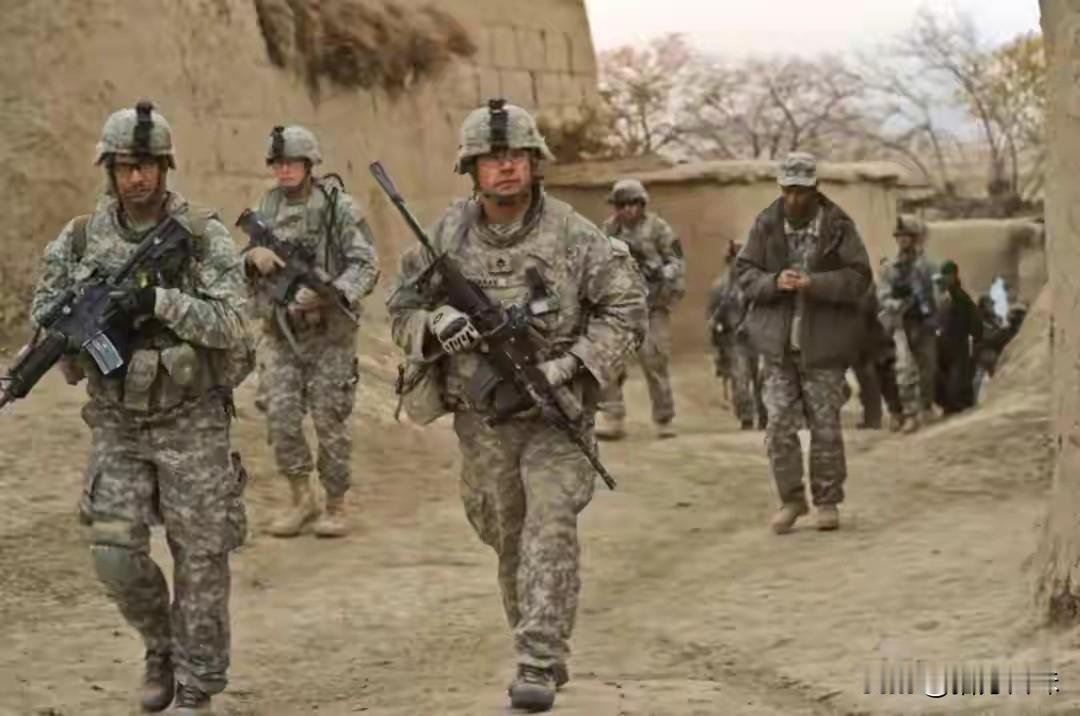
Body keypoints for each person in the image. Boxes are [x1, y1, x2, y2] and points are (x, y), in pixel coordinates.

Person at [386, 99, 646, 711]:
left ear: (534, 163)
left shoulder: (573, 235)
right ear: (471, 168)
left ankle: (538, 658)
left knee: (549, 524)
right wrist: (435, 324)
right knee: (508, 536)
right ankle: (534, 636)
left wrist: (568, 365)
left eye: (515, 157)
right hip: (484, 422)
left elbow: (626, 309)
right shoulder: (445, 236)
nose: (505, 167)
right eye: (491, 158)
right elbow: (400, 310)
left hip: (555, 414)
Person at [29, 102, 253, 714]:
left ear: (166, 166)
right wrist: (85, 315)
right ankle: (162, 646)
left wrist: (157, 302)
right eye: (127, 165)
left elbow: (234, 323)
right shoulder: (80, 239)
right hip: (118, 421)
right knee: (113, 550)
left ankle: (197, 682)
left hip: (192, 417)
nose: (138, 177)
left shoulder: (201, 236)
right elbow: (44, 310)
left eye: (149, 165)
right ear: (110, 169)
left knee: (201, 556)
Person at [243, 125, 380, 538]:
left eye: (292, 163)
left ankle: (336, 503)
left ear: (309, 164)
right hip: (281, 333)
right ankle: (301, 498)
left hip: (329, 336)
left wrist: (331, 292)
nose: (284, 170)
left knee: (329, 422)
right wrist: (253, 257)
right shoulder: (266, 206)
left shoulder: (339, 208)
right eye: (278, 163)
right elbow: (239, 262)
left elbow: (366, 264)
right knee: (281, 417)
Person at [735, 152, 871, 534]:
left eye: (802, 191)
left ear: (815, 189)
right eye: (788, 190)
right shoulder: (766, 224)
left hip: (823, 344)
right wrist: (773, 282)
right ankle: (791, 500)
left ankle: (827, 501)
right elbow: (744, 272)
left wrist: (816, 284)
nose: (794, 199)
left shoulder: (838, 226)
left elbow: (860, 277)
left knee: (825, 425)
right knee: (778, 424)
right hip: (777, 346)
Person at [595, 177, 685, 439]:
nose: (626, 210)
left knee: (654, 359)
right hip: (620, 306)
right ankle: (613, 417)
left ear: (642, 204)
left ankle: (664, 419)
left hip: (652, 305)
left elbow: (677, 260)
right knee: (609, 360)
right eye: (621, 205)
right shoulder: (608, 230)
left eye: (632, 204)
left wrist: (663, 272)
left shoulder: (659, 228)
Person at [878, 215, 938, 434]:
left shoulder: (928, 265)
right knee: (905, 368)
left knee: (928, 367)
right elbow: (883, 294)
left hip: (925, 322)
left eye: (907, 236)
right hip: (903, 322)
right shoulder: (890, 268)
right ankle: (910, 413)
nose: (903, 240)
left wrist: (934, 312)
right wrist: (897, 303)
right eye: (900, 236)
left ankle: (926, 407)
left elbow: (938, 293)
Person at [707, 240, 765, 429]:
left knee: (763, 379)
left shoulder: (760, 283)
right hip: (734, 340)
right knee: (740, 379)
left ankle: (765, 415)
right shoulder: (720, 287)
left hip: (760, 337)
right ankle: (746, 416)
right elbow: (713, 318)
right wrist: (718, 343)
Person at [851, 283, 902, 430]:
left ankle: (895, 414)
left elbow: (871, 310)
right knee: (867, 381)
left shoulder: (864, 289)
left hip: (875, 342)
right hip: (860, 343)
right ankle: (873, 417)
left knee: (883, 380)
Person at [934, 260, 981, 414]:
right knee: (943, 376)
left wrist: (975, 340)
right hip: (945, 344)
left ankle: (959, 404)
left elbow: (975, 322)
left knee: (958, 378)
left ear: (954, 275)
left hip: (959, 344)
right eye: (943, 275)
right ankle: (952, 404)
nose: (945, 278)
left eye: (947, 275)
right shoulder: (945, 297)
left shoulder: (961, 297)